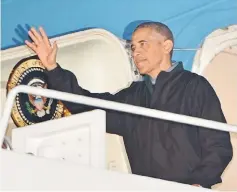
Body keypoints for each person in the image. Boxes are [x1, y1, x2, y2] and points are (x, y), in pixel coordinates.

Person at [25, 22, 233, 188]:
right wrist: (52, 68)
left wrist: (198, 183)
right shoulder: (133, 96)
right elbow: (85, 104)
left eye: (143, 44)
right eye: (133, 47)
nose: (135, 52)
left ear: (167, 46)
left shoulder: (194, 86)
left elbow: (219, 145)